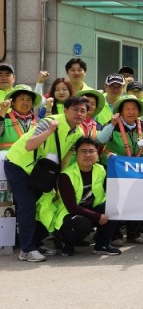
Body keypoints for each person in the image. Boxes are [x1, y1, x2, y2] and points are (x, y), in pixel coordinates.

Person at [4, 96, 88, 262]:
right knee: (27, 205)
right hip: (19, 164)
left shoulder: (78, 133)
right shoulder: (49, 122)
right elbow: (29, 145)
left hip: (41, 172)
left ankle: (35, 243)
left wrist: (57, 181)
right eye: (75, 110)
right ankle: (26, 250)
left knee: (44, 205)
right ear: (65, 110)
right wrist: (49, 131)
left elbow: (65, 159)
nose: (79, 113)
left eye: (83, 111)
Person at [52, 137, 120, 256]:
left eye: (91, 151)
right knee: (82, 223)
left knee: (113, 207)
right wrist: (98, 216)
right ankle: (63, 241)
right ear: (76, 154)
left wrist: (114, 164)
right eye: (83, 151)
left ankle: (102, 245)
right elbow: (72, 207)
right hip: (69, 215)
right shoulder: (66, 176)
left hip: (90, 209)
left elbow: (113, 190)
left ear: (97, 154)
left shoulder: (100, 169)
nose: (88, 155)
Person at [97, 95, 143, 245]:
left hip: (135, 170)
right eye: (127, 108)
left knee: (134, 201)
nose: (131, 111)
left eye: (134, 108)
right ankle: (115, 235)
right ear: (120, 111)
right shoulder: (112, 124)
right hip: (114, 170)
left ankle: (134, 234)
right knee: (115, 202)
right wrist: (112, 124)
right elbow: (100, 140)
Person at [0, 85, 42, 151]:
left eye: (28, 100)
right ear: (13, 102)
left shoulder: (39, 121)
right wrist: (3, 111)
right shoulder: (3, 118)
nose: (25, 103)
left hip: (32, 160)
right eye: (21, 99)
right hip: (7, 159)